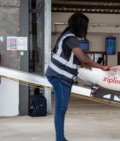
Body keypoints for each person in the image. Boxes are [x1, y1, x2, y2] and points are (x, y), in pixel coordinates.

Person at [45, 12, 110, 141]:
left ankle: (60, 138)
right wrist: (102, 67)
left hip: (61, 76)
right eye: (86, 26)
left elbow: (75, 59)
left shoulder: (66, 36)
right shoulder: (71, 39)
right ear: (80, 26)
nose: (86, 30)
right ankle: (60, 139)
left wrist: (84, 64)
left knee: (62, 108)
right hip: (58, 76)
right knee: (61, 108)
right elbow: (84, 59)